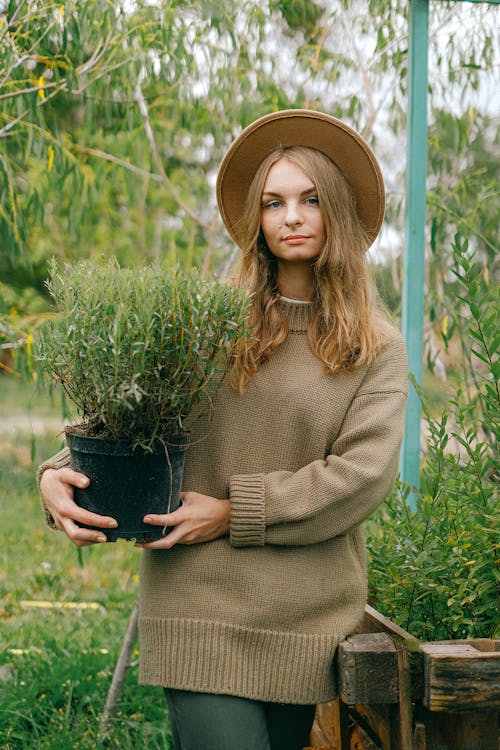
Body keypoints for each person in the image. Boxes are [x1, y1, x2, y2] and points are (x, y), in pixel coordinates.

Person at [39, 109, 408, 750]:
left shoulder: (375, 348)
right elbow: (130, 419)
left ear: (338, 213)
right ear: (256, 221)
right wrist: (55, 475)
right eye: (273, 203)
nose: (291, 217)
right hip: (198, 603)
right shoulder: (208, 326)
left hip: (304, 617)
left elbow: (361, 476)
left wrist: (234, 511)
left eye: (310, 200)